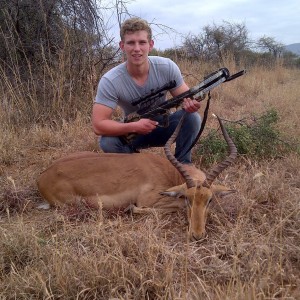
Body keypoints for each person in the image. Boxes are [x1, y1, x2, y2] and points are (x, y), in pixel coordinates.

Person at [92, 17, 201, 164]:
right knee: (108, 142)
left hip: (165, 125)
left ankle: (183, 167)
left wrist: (191, 105)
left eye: (142, 42)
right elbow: (98, 125)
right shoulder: (110, 80)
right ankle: (134, 168)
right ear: (122, 46)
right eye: (131, 43)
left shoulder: (167, 67)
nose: (137, 48)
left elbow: (186, 98)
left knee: (192, 118)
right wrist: (133, 126)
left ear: (150, 45)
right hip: (134, 130)